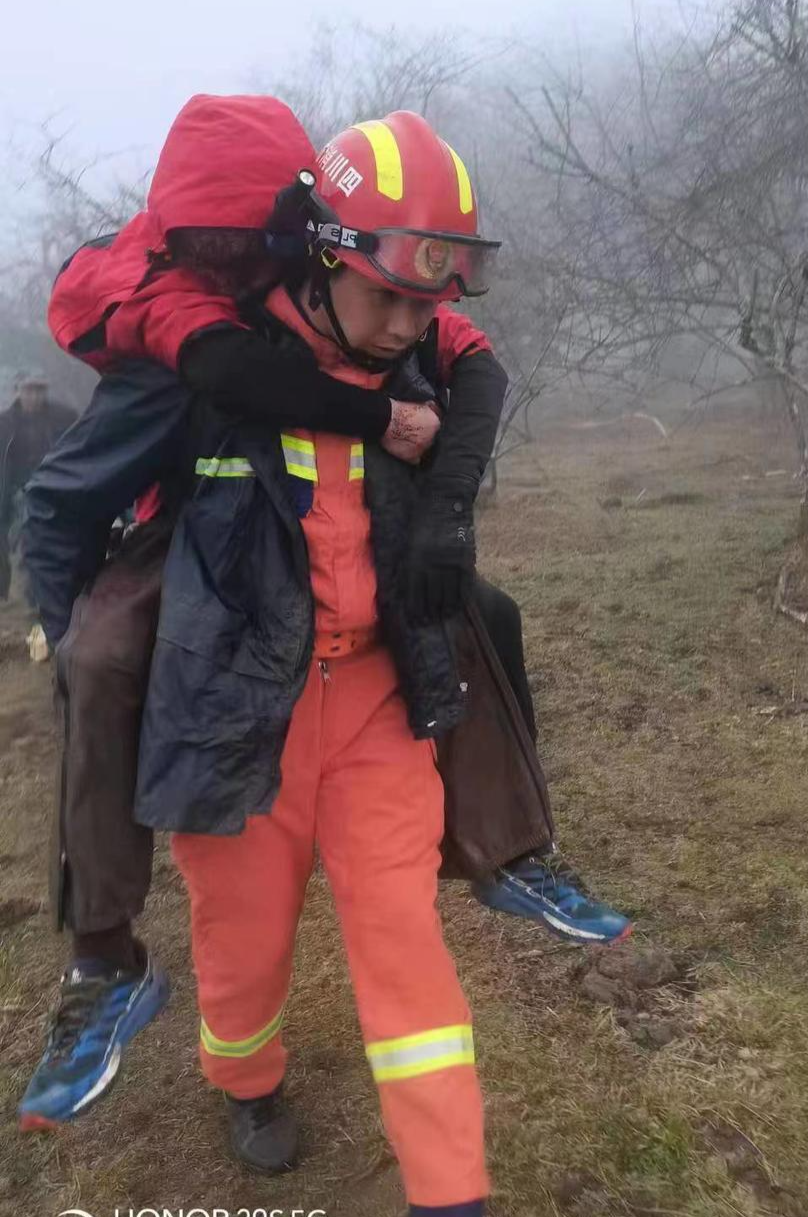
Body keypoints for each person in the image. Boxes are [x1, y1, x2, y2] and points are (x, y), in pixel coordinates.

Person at [19, 99, 629, 1139]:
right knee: (104, 654)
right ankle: (107, 955)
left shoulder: (369, 285)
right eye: (212, 248)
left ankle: (518, 849)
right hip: (187, 551)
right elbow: (185, 395)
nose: (233, 264)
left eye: (249, 245)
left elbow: (469, 358)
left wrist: (441, 513)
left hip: (342, 662)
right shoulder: (185, 306)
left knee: (481, 610)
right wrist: (58, 614)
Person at [0, 370, 75, 600]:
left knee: (36, 541)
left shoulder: (64, 417)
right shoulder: (4, 423)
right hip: (12, 490)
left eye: (39, 390)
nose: (33, 396)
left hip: (50, 488)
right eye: (28, 390)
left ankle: (36, 597)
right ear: (18, 391)